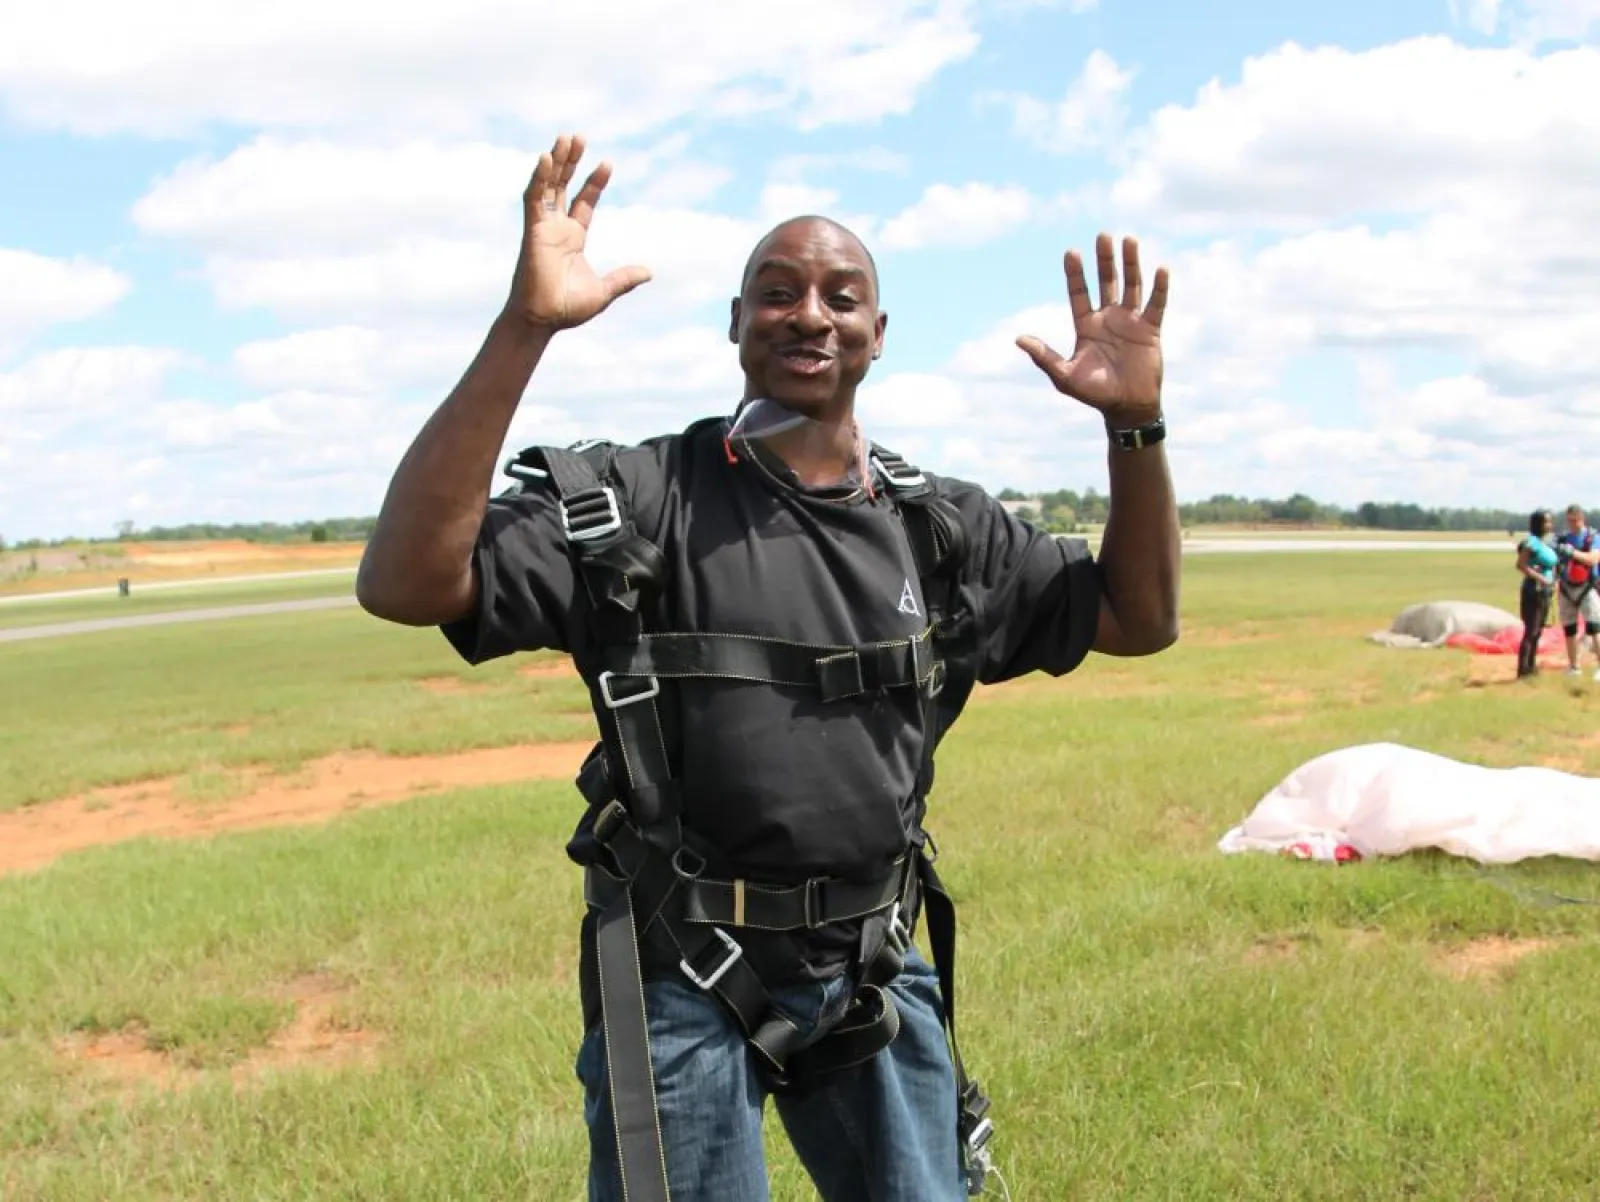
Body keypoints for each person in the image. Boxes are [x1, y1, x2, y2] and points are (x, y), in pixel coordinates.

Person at [356, 132, 1181, 1201]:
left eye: (842, 296)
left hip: (873, 958)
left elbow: (1137, 614)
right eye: (777, 291)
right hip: (681, 966)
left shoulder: (939, 530)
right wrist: (524, 330)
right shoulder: (637, 503)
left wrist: (1134, 425)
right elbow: (406, 583)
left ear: (876, 334)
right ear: (736, 324)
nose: (810, 314)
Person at [1555, 504, 1600, 678]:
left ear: (1582, 518)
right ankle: (1573, 666)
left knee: (1594, 627)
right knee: (1569, 628)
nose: (1572, 524)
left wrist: (1572, 553)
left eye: (1575, 520)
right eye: (1569, 520)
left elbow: (1593, 559)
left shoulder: (1592, 538)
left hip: (1587, 587)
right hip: (1567, 587)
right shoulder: (1562, 538)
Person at [1514, 509, 1557, 678]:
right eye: (1547, 522)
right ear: (1539, 524)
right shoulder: (1531, 543)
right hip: (1534, 590)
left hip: (1544, 591)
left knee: (1538, 630)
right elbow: (1521, 565)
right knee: (1531, 629)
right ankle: (1523, 668)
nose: (1550, 525)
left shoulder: (1543, 544)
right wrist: (1541, 578)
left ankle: (1531, 665)